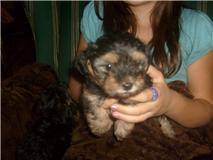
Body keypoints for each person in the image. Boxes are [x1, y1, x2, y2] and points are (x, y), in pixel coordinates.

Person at [69, 1, 213, 128]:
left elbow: (206, 109)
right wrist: (98, 96)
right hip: (103, 127)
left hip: (169, 135)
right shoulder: (97, 13)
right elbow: (76, 84)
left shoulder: (196, 26)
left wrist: (169, 103)